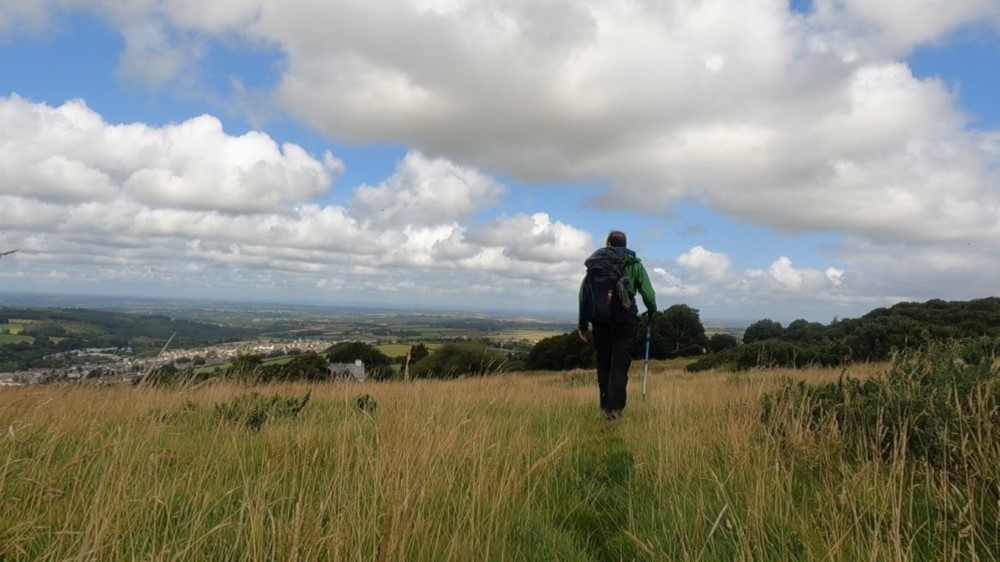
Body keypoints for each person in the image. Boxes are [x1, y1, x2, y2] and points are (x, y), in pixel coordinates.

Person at [578, 230, 656, 420]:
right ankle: (615, 409)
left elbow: (583, 295)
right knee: (620, 365)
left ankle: (605, 406)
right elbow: (648, 294)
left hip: (600, 320)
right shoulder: (634, 263)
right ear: (625, 244)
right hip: (624, 318)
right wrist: (652, 311)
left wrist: (582, 324)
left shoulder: (596, 264)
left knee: (603, 364)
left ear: (608, 243)